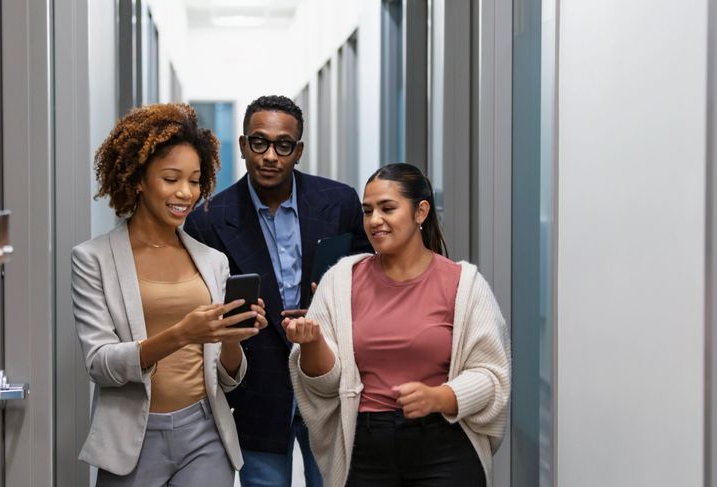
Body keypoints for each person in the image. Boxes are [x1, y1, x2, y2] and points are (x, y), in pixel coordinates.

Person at [71, 103, 267, 486]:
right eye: (171, 178)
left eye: (195, 180)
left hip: (205, 434)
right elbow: (99, 364)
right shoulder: (92, 259)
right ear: (139, 180)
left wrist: (230, 339)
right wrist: (182, 333)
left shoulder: (212, 261)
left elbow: (229, 377)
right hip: (132, 439)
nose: (186, 193)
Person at [184, 95, 372, 487]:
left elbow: (370, 284)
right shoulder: (208, 219)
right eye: (259, 142)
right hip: (257, 390)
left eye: (282, 145)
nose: (270, 155)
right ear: (242, 145)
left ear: (297, 150)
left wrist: (333, 303)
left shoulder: (338, 202)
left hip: (329, 377)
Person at [285, 163, 511, 487]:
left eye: (387, 208)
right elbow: (324, 386)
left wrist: (440, 397)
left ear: (421, 212)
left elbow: (491, 376)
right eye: (367, 211)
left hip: (445, 446)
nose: (374, 220)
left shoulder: (464, 285)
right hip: (364, 450)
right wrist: (311, 343)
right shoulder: (339, 281)